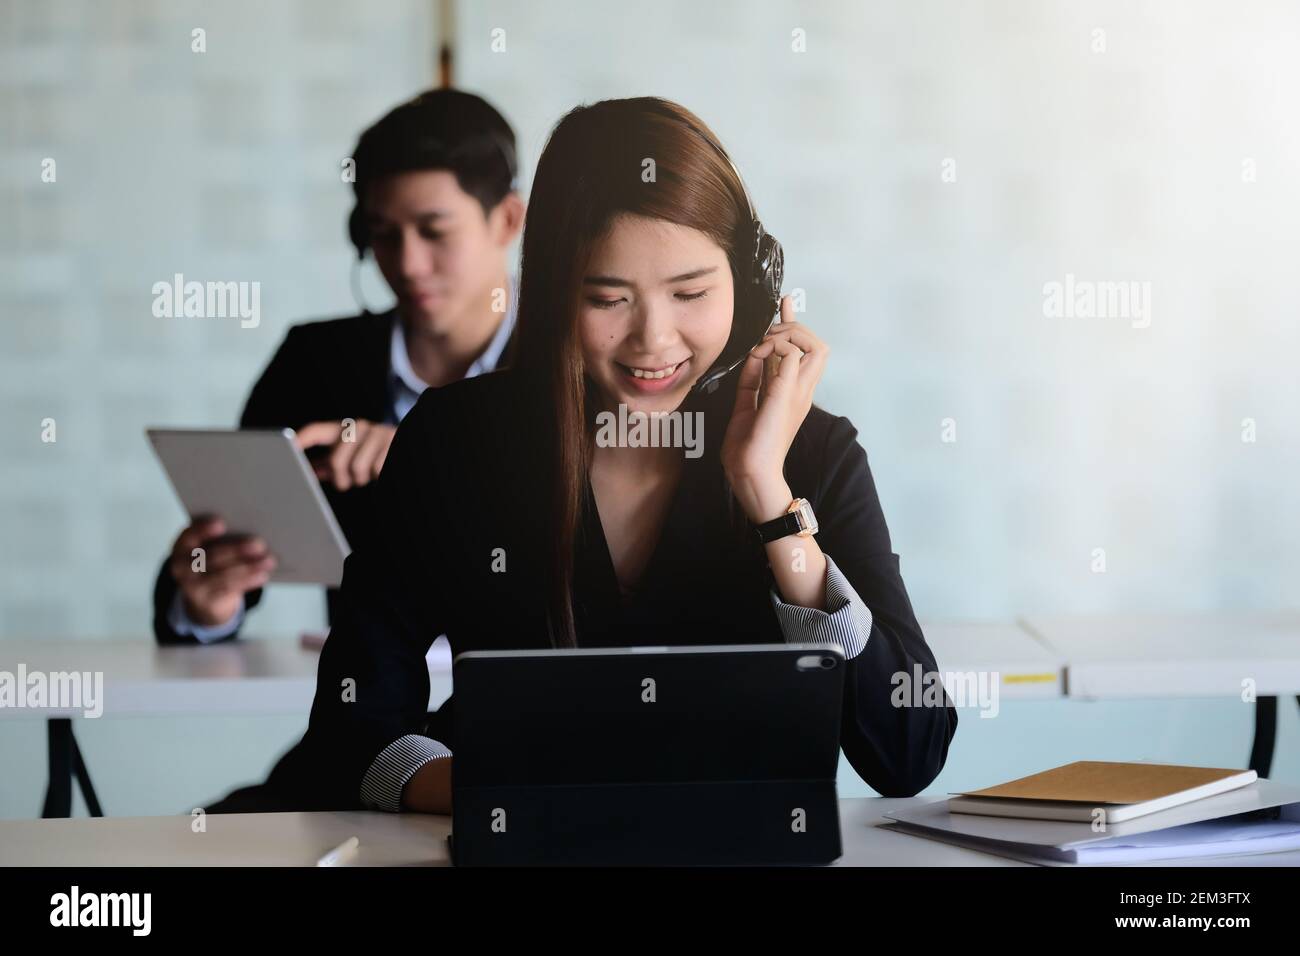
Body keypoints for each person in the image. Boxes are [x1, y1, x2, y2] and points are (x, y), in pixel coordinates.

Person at [298, 96, 958, 814]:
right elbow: (349, 724)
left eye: (692, 292)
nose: (653, 341)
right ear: (553, 295)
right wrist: (491, 793)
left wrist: (768, 498)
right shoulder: (458, 440)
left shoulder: (811, 449)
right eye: (609, 299)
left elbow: (909, 752)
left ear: (753, 283)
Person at [150, 89, 525, 811]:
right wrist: (207, 596)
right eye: (383, 235)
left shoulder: (577, 365)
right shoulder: (315, 364)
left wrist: (423, 456)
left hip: (526, 735)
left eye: (434, 230)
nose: (408, 262)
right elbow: (220, 565)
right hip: (365, 725)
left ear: (508, 219)